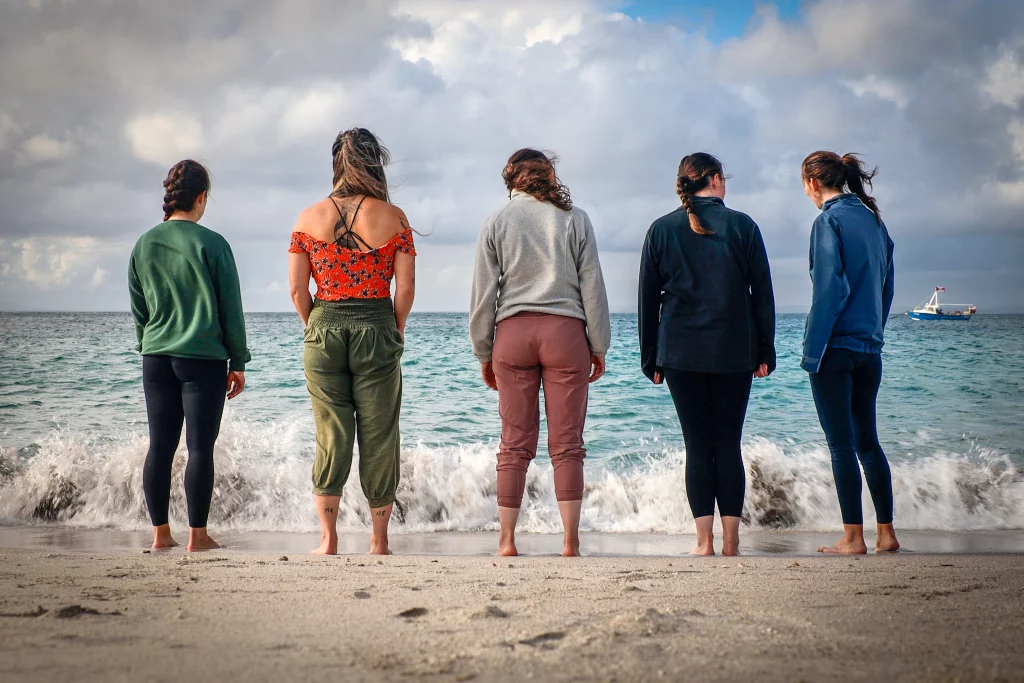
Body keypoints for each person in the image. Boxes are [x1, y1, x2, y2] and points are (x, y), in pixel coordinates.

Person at [470, 149, 610, 558]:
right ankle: (570, 543)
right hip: (565, 334)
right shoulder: (575, 218)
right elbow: (593, 288)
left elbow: (484, 294)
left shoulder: (496, 220)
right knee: (567, 444)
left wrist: (483, 350)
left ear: (510, 179)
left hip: (511, 335)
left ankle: (507, 542)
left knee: (513, 444)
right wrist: (598, 344)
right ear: (549, 176)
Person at [638, 152, 776, 557]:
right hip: (735, 350)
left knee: (698, 445)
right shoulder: (742, 225)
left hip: (680, 352)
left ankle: (704, 543)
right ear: (715, 179)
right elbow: (762, 294)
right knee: (728, 444)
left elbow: (646, 298)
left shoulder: (662, 229)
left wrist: (650, 357)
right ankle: (732, 542)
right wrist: (765, 349)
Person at [288, 128, 415, 556]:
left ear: (335, 164)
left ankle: (328, 539)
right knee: (380, 433)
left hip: (323, 326)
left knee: (331, 431)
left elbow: (297, 291)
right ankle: (379, 541)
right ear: (374, 162)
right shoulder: (394, 217)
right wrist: (393, 328)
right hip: (377, 324)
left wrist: (315, 325)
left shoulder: (307, 218)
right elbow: (407, 289)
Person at [129, 159, 250, 552]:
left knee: (159, 446)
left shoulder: (143, 244)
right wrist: (239, 362)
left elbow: (140, 309)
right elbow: (231, 308)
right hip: (203, 358)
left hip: (156, 356)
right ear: (200, 197)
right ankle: (198, 536)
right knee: (200, 448)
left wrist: (148, 344)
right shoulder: (213, 244)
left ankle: (160, 535)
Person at [800, 151, 900, 555]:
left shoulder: (828, 221)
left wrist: (813, 350)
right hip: (869, 347)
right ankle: (887, 534)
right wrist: (874, 331)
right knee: (868, 443)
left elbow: (829, 290)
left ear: (811, 183)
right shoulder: (875, 221)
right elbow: (886, 287)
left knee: (841, 445)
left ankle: (853, 537)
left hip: (835, 347)